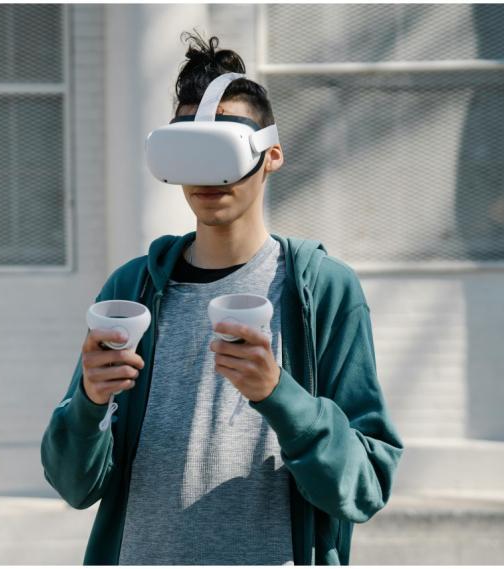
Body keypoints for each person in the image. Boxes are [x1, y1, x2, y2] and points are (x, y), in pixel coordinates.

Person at [41, 30, 404, 566]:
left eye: (224, 153)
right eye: (191, 154)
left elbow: (364, 487)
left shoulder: (323, 290)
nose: (208, 178)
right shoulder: (131, 289)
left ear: (272, 155)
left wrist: (280, 394)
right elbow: (75, 486)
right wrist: (88, 405)